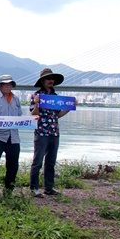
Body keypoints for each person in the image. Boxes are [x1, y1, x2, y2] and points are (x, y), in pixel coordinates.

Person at [29, 68, 77, 197]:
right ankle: (34, 188)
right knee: (37, 161)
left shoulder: (56, 97)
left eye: (52, 79)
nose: (51, 81)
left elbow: (58, 115)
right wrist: (37, 105)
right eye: (48, 79)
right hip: (41, 132)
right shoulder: (36, 96)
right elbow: (33, 115)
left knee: (51, 162)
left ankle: (49, 187)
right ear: (42, 81)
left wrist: (70, 107)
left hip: (54, 132)